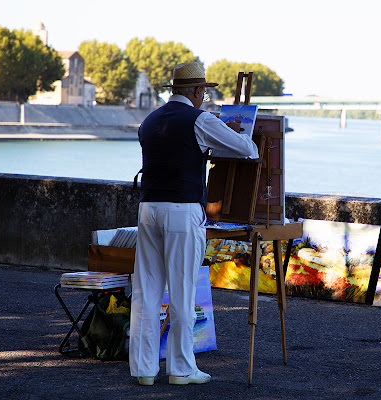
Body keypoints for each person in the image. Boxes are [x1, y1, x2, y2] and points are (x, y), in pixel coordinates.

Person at [129, 62, 259, 386]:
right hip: (182, 211)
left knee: (146, 292)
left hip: (148, 208)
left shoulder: (149, 121)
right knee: (182, 292)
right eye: (204, 92)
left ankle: (144, 370)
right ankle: (181, 369)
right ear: (198, 92)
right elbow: (248, 150)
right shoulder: (199, 119)